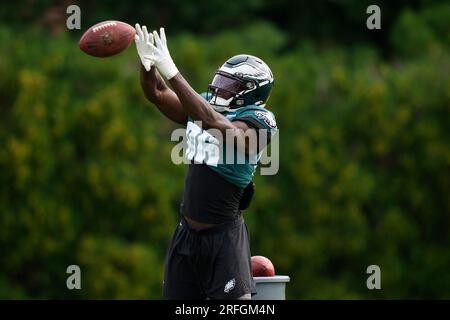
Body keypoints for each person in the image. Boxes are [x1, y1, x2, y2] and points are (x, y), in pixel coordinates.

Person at [134, 24, 278, 300]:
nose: (218, 88)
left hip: (224, 238)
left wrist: (172, 70)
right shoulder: (206, 105)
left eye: (229, 84)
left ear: (250, 91)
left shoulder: (260, 121)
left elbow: (215, 122)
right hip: (186, 235)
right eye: (220, 80)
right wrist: (148, 63)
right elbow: (157, 94)